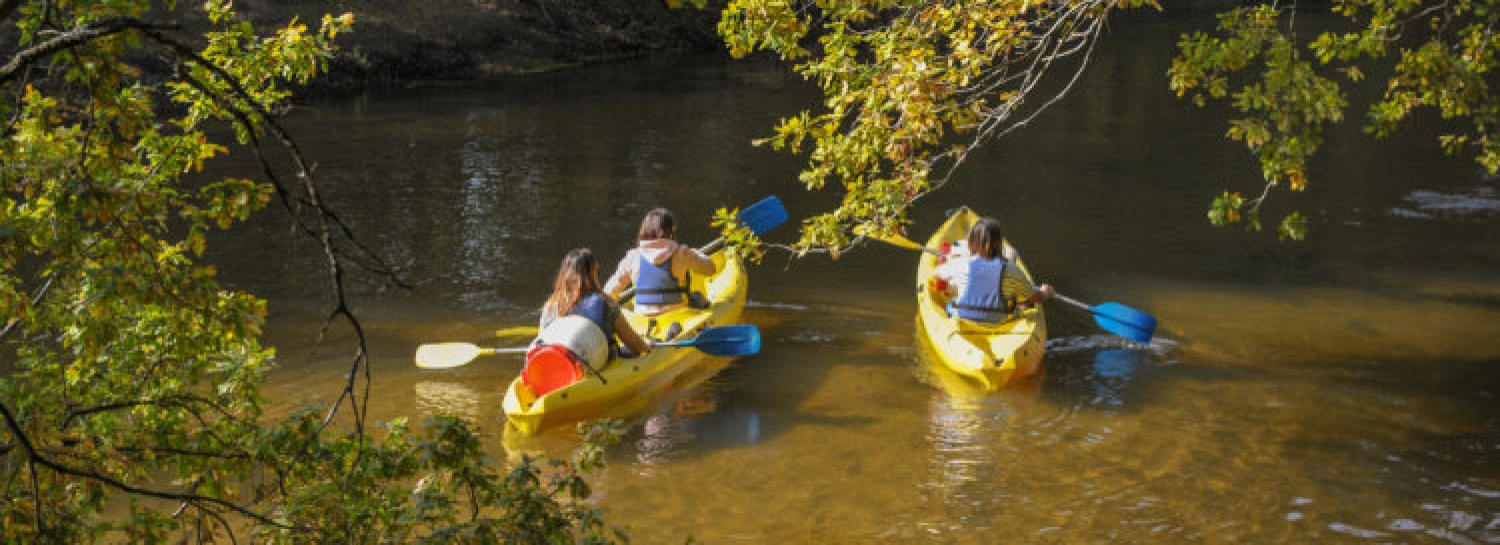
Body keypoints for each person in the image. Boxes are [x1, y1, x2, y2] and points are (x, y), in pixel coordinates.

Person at [537, 248, 651, 363]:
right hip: (595, 366)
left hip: (559, 362)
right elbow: (633, 342)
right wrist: (647, 347)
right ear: (593, 273)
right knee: (633, 351)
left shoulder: (550, 305)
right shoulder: (606, 303)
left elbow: (542, 342)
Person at [932, 216, 1054, 323]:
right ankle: (1020, 306)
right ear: (1000, 244)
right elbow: (1035, 297)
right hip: (1000, 321)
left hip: (965, 319)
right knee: (1018, 300)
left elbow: (936, 273)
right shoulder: (1011, 269)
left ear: (970, 243)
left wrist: (951, 259)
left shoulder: (961, 264)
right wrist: (1045, 293)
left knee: (952, 302)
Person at [604, 208, 717, 316]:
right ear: (671, 232)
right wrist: (694, 253)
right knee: (697, 296)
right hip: (678, 315)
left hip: (642, 317)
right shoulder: (682, 253)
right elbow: (711, 269)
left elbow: (610, 291)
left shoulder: (633, 256)